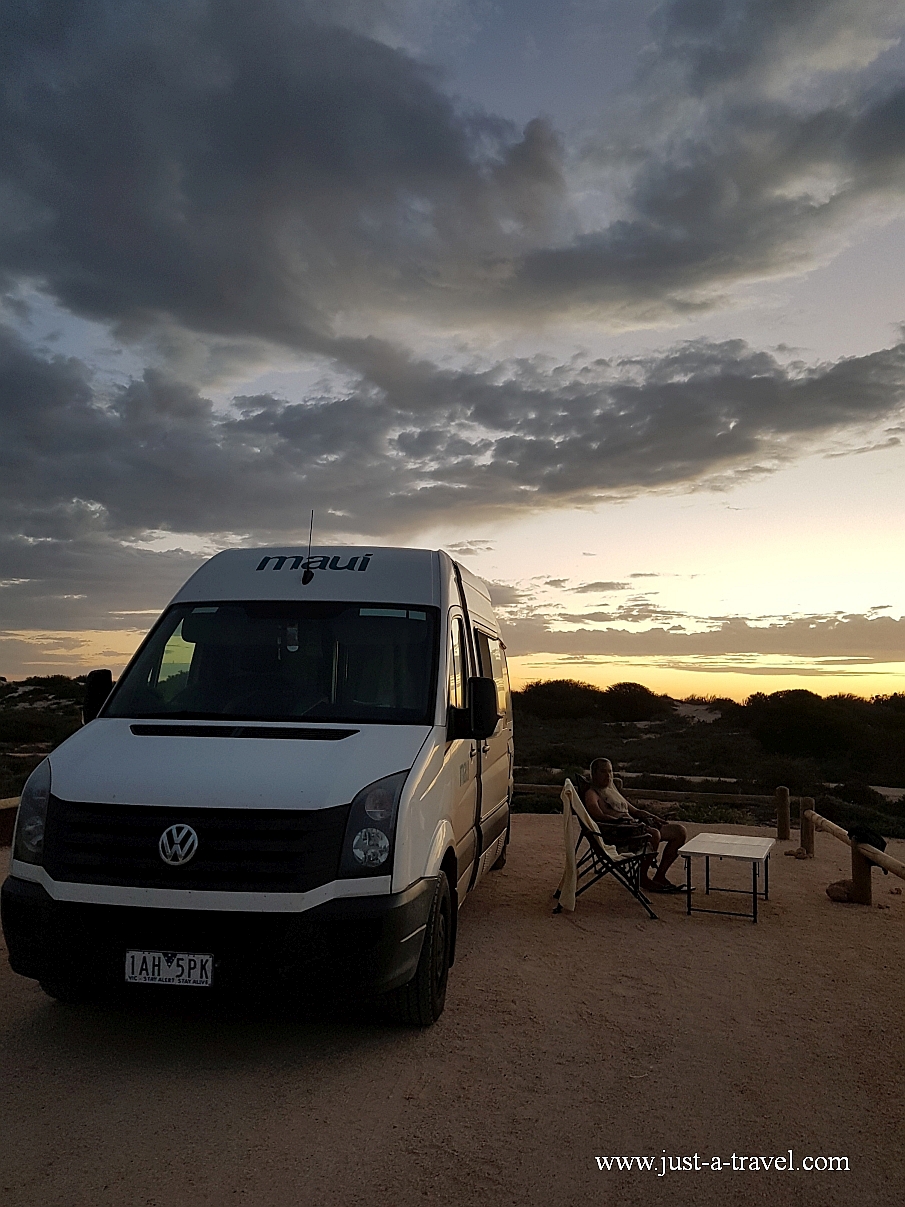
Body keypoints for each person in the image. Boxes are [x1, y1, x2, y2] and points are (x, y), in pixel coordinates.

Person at [583, 758, 687, 893]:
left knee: (679, 831)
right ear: (594, 773)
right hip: (620, 835)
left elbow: (635, 811)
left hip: (635, 828)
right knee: (654, 834)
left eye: (610, 771)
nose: (608, 776)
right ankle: (642, 877)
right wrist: (619, 821)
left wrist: (653, 817)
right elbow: (596, 814)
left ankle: (660, 876)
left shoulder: (611, 791)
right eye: (603, 771)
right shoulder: (592, 794)